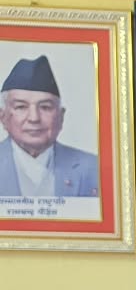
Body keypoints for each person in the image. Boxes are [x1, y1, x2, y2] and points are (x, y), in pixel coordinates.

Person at [0, 55, 99, 201]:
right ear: (3, 117)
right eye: (21, 107)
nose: (34, 118)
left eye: (45, 107)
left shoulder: (93, 168)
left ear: (61, 116)